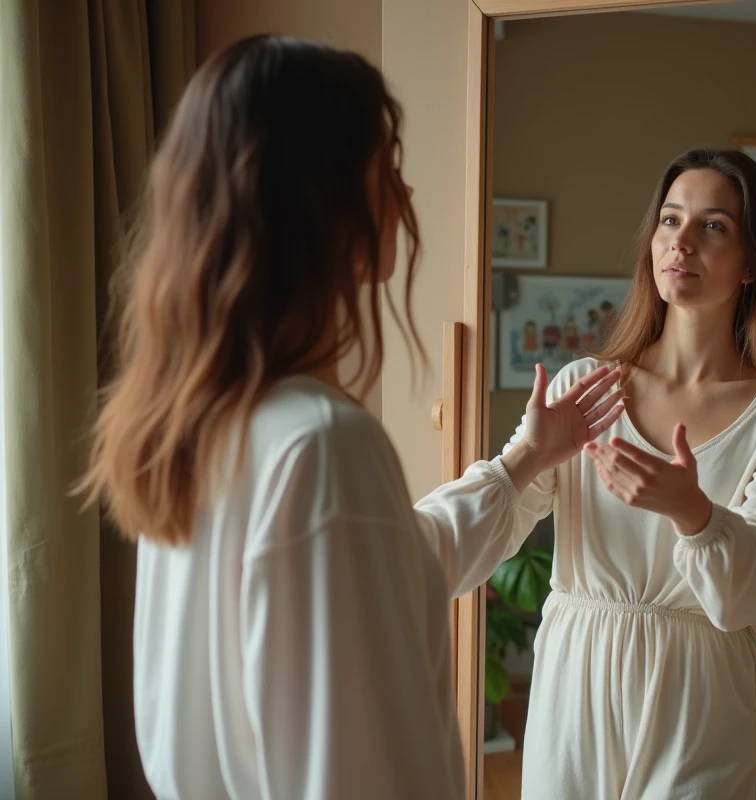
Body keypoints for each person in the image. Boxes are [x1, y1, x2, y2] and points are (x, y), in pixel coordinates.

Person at [76, 36, 473, 798]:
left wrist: (520, 464)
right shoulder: (324, 446)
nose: (407, 196)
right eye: (386, 165)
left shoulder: (203, 427)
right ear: (318, 195)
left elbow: (403, 556)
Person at [416, 148, 756, 798]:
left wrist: (692, 511)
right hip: (576, 682)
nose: (682, 241)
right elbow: (470, 547)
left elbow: (745, 599)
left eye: (713, 226)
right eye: (670, 220)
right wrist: (526, 456)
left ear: (752, 261)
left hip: (703, 701)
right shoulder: (589, 387)